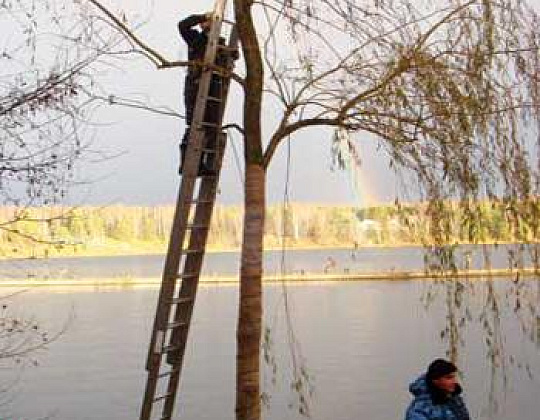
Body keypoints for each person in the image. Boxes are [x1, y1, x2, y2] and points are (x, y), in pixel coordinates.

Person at [178, 12, 237, 175]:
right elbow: (182, 25)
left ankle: (201, 164)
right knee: (194, 124)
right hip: (196, 85)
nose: (207, 25)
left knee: (210, 126)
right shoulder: (195, 37)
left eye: (210, 22)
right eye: (206, 23)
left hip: (213, 88)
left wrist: (231, 55)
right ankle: (185, 163)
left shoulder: (220, 43)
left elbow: (229, 60)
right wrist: (202, 16)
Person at [405, 359, 471, 420]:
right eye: (449, 378)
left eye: (454, 377)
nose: (454, 381)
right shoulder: (420, 408)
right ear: (435, 380)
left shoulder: (455, 400)